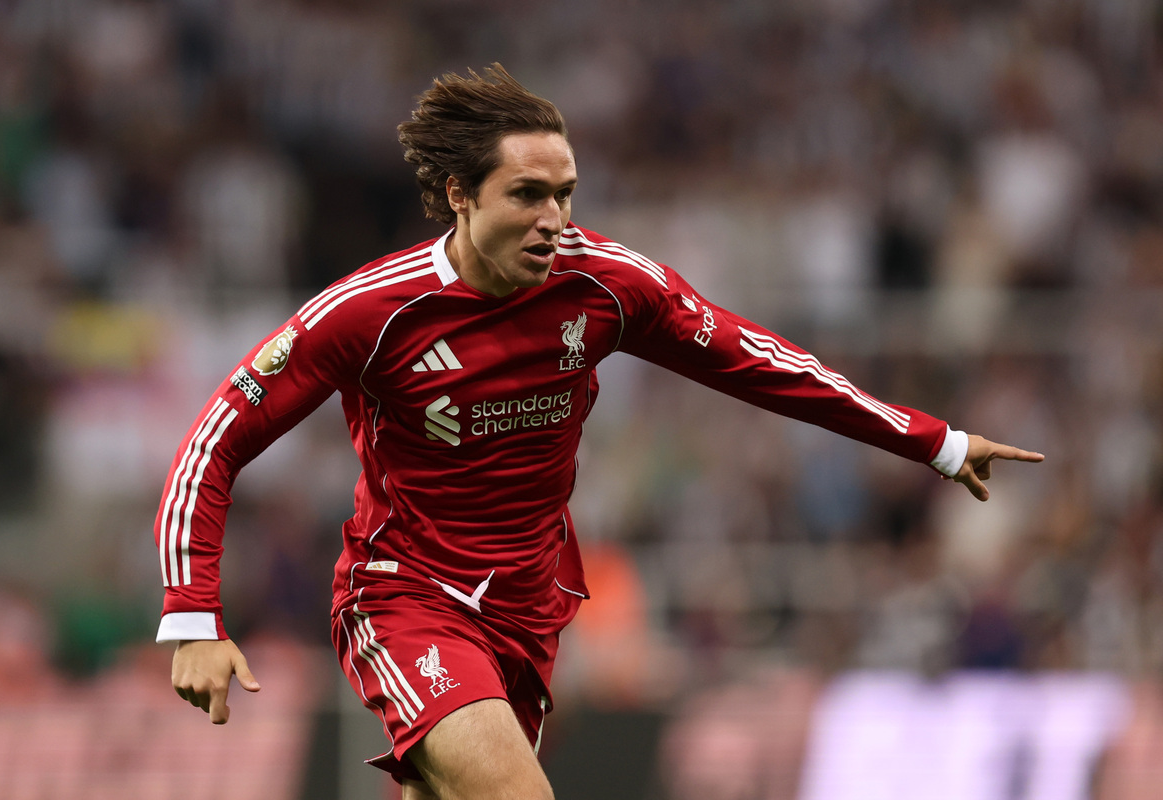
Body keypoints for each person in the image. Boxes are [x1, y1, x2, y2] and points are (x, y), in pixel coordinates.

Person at [158, 64, 1044, 800]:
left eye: (567, 194)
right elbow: (215, 442)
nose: (555, 218)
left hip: (530, 611)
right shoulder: (373, 312)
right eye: (528, 194)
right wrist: (192, 614)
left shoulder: (609, 286)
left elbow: (761, 362)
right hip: (406, 598)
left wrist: (936, 441)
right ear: (459, 197)